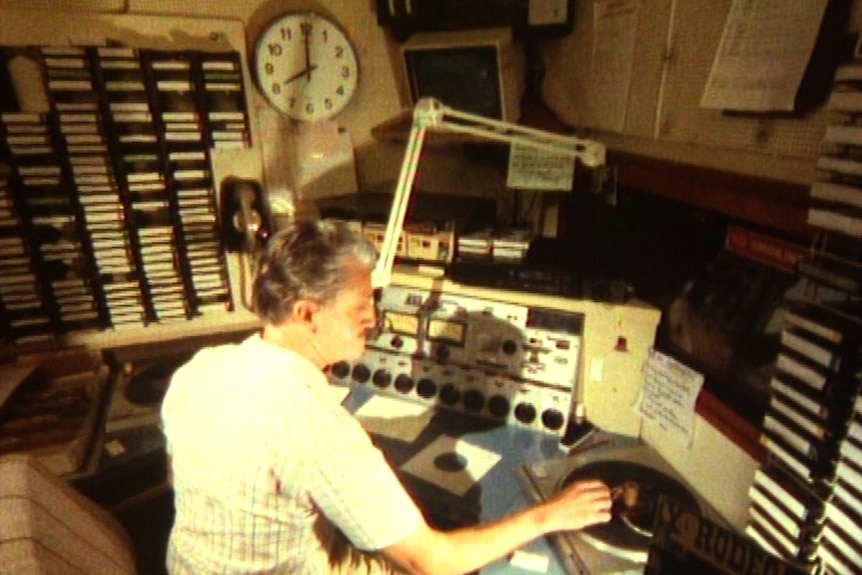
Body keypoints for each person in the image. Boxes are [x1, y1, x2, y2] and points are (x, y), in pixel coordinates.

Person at [161, 218, 612, 575]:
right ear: (307, 313)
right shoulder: (317, 425)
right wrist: (550, 513)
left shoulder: (200, 368)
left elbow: (180, 475)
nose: (374, 319)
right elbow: (432, 562)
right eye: (360, 306)